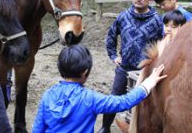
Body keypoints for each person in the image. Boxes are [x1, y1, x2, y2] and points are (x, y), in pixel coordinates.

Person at [32, 44, 167, 133]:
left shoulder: (48, 95)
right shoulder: (90, 99)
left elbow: (37, 129)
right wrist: (148, 83)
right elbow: (124, 102)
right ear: (85, 72)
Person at [98, 0, 164, 133]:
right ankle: (105, 127)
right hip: (124, 68)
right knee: (114, 99)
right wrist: (113, 55)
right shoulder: (123, 17)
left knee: (145, 103)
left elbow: (161, 43)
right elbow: (111, 37)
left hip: (145, 71)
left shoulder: (157, 21)